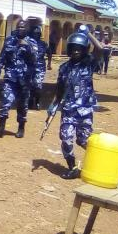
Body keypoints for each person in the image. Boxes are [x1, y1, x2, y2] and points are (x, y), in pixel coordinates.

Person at [47, 25, 104, 179]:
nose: (76, 51)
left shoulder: (89, 63)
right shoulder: (64, 68)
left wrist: (89, 34)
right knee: (65, 138)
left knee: (84, 140)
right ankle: (72, 167)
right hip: (68, 110)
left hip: (85, 110)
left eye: (79, 48)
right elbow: (59, 89)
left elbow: (99, 49)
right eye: (73, 48)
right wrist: (52, 106)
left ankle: (98, 163)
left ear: (84, 49)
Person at [0, 20, 38, 139]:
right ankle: (1, 127)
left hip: (25, 79)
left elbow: (35, 60)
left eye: (22, 27)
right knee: (5, 101)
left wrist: (27, 47)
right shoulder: (9, 40)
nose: (20, 29)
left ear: (27, 29)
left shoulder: (32, 42)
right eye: (18, 27)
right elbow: (1, 58)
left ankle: (21, 127)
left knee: (22, 105)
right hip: (10, 77)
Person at [29, 25, 47, 110]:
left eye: (38, 34)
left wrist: (50, 63)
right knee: (30, 85)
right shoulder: (28, 43)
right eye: (34, 33)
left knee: (38, 86)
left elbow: (49, 53)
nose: (36, 35)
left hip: (40, 67)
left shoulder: (43, 44)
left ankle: (37, 102)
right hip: (30, 67)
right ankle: (30, 101)